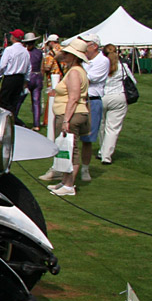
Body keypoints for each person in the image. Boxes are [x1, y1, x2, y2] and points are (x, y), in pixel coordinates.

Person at [41, 38, 90, 196]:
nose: (65, 56)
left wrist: (67, 120)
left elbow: (74, 97)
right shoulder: (74, 70)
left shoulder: (75, 72)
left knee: (71, 150)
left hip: (71, 114)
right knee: (66, 149)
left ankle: (69, 185)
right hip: (69, 112)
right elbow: (58, 58)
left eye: (69, 53)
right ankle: (65, 181)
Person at [78, 32, 109, 183]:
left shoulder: (103, 61)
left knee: (87, 138)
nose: (84, 48)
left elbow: (88, 79)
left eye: (87, 45)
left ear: (94, 46)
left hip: (92, 100)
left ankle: (85, 168)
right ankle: (65, 167)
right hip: (79, 99)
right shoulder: (83, 61)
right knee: (69, 134)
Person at [99, 44, 132, 165]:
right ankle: (106, 155)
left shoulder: (101, 66)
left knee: (101, 126)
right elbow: (132, 81)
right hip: (118, 96)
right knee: (112, 128)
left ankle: (102, 151)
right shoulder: (122, 67)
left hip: (102, 96)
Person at [0, 29, 30, 123]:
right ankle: (12, 119)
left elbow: (3, 65)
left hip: (10, 77)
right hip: (20, 78)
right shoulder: (25, 51)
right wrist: (26, 80)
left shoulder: (9, 50)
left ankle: (7, 120)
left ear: (14, 38)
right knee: (14, 101)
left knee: (4, 100)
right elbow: (28, 67)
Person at [22, 33, 44, 130]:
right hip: (38, 75)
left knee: (20, 99)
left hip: (28, 76)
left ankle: (14, 118)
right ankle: (36, 124)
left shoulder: (25, 52)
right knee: (36, 101)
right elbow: (42, 67)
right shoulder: (39, 53)